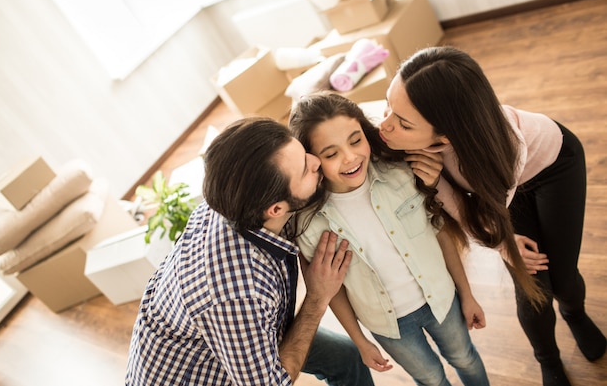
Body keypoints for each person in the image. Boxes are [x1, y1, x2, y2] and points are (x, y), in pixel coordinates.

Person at [379, 45, 606, 386]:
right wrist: (437, 181)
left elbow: (484, 213)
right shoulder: (410, 129)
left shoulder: (504, 146)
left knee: (560, 274)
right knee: (533, 289)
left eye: (402, 123)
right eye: (387, 106)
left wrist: (502, 243)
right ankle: (548, 358)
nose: (385, 125)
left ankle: (574, 311)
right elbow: (466, 210)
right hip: (495, 189)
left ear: (446, 137)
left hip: (550, 166)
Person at [125, 117, 375, 386]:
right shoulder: (237, 293)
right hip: (198, 375)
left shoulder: (234, 194)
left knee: (345, 358)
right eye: (305, 168)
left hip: (221, 332)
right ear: (276, 210)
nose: (316, 162)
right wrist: (317, 298)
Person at [289, 92, 490, 386]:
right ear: (312, 161)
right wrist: (359, 341)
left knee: (465, 358)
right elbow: (333, 292)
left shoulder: (400, 174)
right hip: (390, 327)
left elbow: (441, 233)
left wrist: (467, 294)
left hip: (442, 299)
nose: (350, 157)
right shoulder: (309, 225)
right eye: (331, 154)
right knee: (431, 379)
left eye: (356, 140)